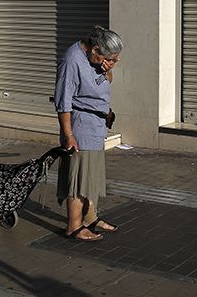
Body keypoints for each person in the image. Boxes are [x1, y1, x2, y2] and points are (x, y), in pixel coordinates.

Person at [54, 25, 124, 241]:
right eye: (111, 58)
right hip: (81, 127)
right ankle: (74, 227)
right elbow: (63, 102)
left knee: (91, 176)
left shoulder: (96, 60)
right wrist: (69, 135)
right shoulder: (72, 61)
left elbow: (104, 82)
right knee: (78, 177)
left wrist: (107, 70)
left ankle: (90, 218)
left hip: (97, 126)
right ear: (95, 50)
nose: (114, 61)